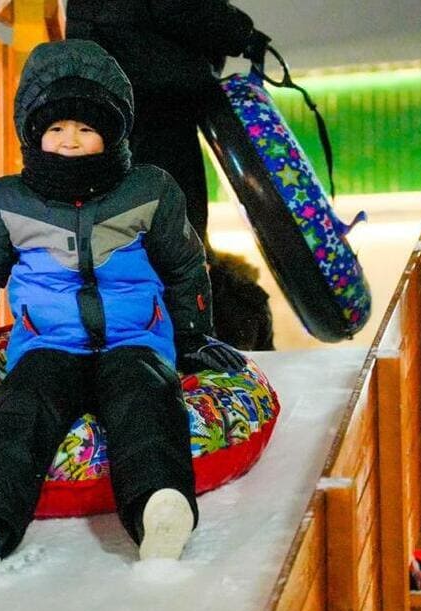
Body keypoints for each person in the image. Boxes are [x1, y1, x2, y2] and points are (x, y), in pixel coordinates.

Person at [0, 40, 247, 570]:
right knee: (20, 409)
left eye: (86, 128)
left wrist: (192, 335)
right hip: (48, 345)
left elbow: (185, 266)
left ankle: (159, 508)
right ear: (33, 133)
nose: (69, 140)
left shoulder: (149, 191)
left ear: (112, 133)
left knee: (145, 401)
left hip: (135, 340)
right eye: (56, 127)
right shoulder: (11, 201)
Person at [66, 0, 276, 351]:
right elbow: (177, 6)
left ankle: (138, 344)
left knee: (134, 232)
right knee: (174, 229)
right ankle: (184, 346)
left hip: (122, 88)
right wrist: (240, 32)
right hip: (151, 91)